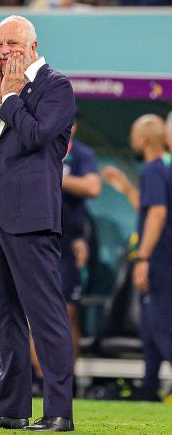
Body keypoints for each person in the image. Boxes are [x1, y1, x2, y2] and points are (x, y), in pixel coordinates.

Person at [0, 16, 76, 431]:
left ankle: (59, 412)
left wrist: (10, 100)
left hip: (32, 217)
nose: (5, 51)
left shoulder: (55, 86)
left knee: (46, 317)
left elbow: (37, 138)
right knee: (5, 318)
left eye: (13, 42)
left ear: (34, 44)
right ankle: (11, 410)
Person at [31, 120, 101, 389]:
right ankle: (38, 378)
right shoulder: (37, 145)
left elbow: (93, 187)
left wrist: (55, 175)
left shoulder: (81, 154)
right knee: (32, 312)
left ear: (75, 125)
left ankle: (65, 381)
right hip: (35, 237)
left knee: (67, 312)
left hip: (67, 243)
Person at [125, 114, 172, 401]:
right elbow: (149, 210)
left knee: (160, 325)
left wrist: (142, 259)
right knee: (151, 325)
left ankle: (150, 384)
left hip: (159, 260)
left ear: (143, 139)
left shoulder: (154, 171)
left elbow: (157, 213)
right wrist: (127, 189)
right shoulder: (162, 171)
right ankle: (149, 385)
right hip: (163, 257)